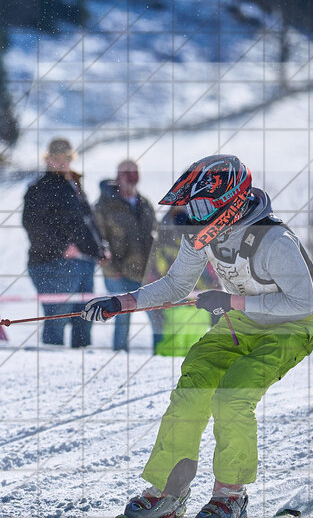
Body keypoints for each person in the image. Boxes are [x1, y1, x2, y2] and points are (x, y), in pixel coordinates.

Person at [83, 154, 313, 518]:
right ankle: (169, 492)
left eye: (203, 205)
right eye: (191, 206)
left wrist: (232, 302)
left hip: (291, 326)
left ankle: (230, 496)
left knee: (231, 395)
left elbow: (304, 303)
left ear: (232, 202)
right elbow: (176, 285)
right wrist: (122, 303)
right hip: (244, 319)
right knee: (192, 389)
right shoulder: (202, 236)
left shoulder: (275, 241)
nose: (194, 214)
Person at [22, 138, 107, 348]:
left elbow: (86, 221)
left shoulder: (74, 184)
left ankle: (81, 365)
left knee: (85, 318)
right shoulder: (39, 188)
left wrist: (99, 250)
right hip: (51, 263)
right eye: (56, 158)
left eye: (66, 158)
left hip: (84, 262)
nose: (61, 162)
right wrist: (61, 247)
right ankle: (51, 367)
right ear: (48, 159)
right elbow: (33, 225)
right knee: (56, 320)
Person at [93, 158, 156, 351]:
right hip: (118, 274)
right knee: (122, 318)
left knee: (158, 315)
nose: (131, 176)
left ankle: (161, 354)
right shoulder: (104, 206)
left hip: (145, 273)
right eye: (126, 172)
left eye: (134, 172)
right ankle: (119, 356)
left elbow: (156, 235)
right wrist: (112, 269)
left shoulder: (145, 204)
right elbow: (97, 240)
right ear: (117, 176)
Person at [146, 207, 219, 356]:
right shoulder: (167, 244)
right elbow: (157, 271)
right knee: (173, 345)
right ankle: (164, 368)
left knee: (192, 342)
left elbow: (211, 267)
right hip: (177, 303)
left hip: (196, 303)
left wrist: (215, 286)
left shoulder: (199, 241)